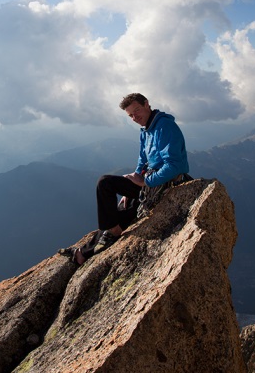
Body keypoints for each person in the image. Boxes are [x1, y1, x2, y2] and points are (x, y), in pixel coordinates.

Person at [59, 93, 190, 265]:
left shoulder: (164, 127)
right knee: (115, 208)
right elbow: (143, 160)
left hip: (164, 184)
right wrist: (134, 177)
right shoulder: (147, 129)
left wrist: (145, 182)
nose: (135, 117)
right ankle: (85, 249)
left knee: (105, 183)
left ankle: (85, 250)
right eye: (131, 115)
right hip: (150, 181)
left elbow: (175, 166)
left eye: (137, 111)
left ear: (146, 104)